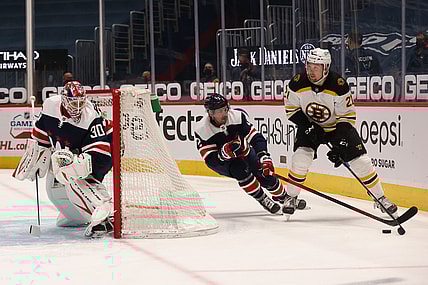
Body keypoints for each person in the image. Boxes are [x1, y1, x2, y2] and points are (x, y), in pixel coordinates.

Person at [284, 48, 397, 216]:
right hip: (310, 126)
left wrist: (340, 144)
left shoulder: (338, 85)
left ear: (326, 68)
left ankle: (380, 198)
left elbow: (346, 118)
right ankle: (291, 197)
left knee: (362, 162)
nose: (311, 71)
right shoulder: (297, 82)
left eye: (316, 67)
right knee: (301, 159)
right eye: (309, 66)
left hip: (337, 128)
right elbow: (291, 110)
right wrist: (308, 127)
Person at [13, 81, 114, 238]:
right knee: (53, 186)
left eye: (81, 102)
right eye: (74, 102)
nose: (78, 107)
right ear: (64, 100)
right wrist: (36, 152)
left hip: (103, 149)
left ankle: (105, 215)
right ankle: (75, 216)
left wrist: (80, 166)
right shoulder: (50, 105)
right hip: (68, 155)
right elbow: (41, 134)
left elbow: (102, 157)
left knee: (73, 177)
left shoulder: (91, 117)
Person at [195, 93, 306, 214]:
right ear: (210, 113)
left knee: (265, 174)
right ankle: (262, 199)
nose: (224, 113)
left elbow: (256, 138)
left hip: (245, 151)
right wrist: (223, 154)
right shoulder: (202, 130)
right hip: (225, 163)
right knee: (240, 170)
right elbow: (210, 161)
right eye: (219, 111)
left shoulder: (237, 117)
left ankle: (284, 197)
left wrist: (264, 157)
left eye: (225, 109)